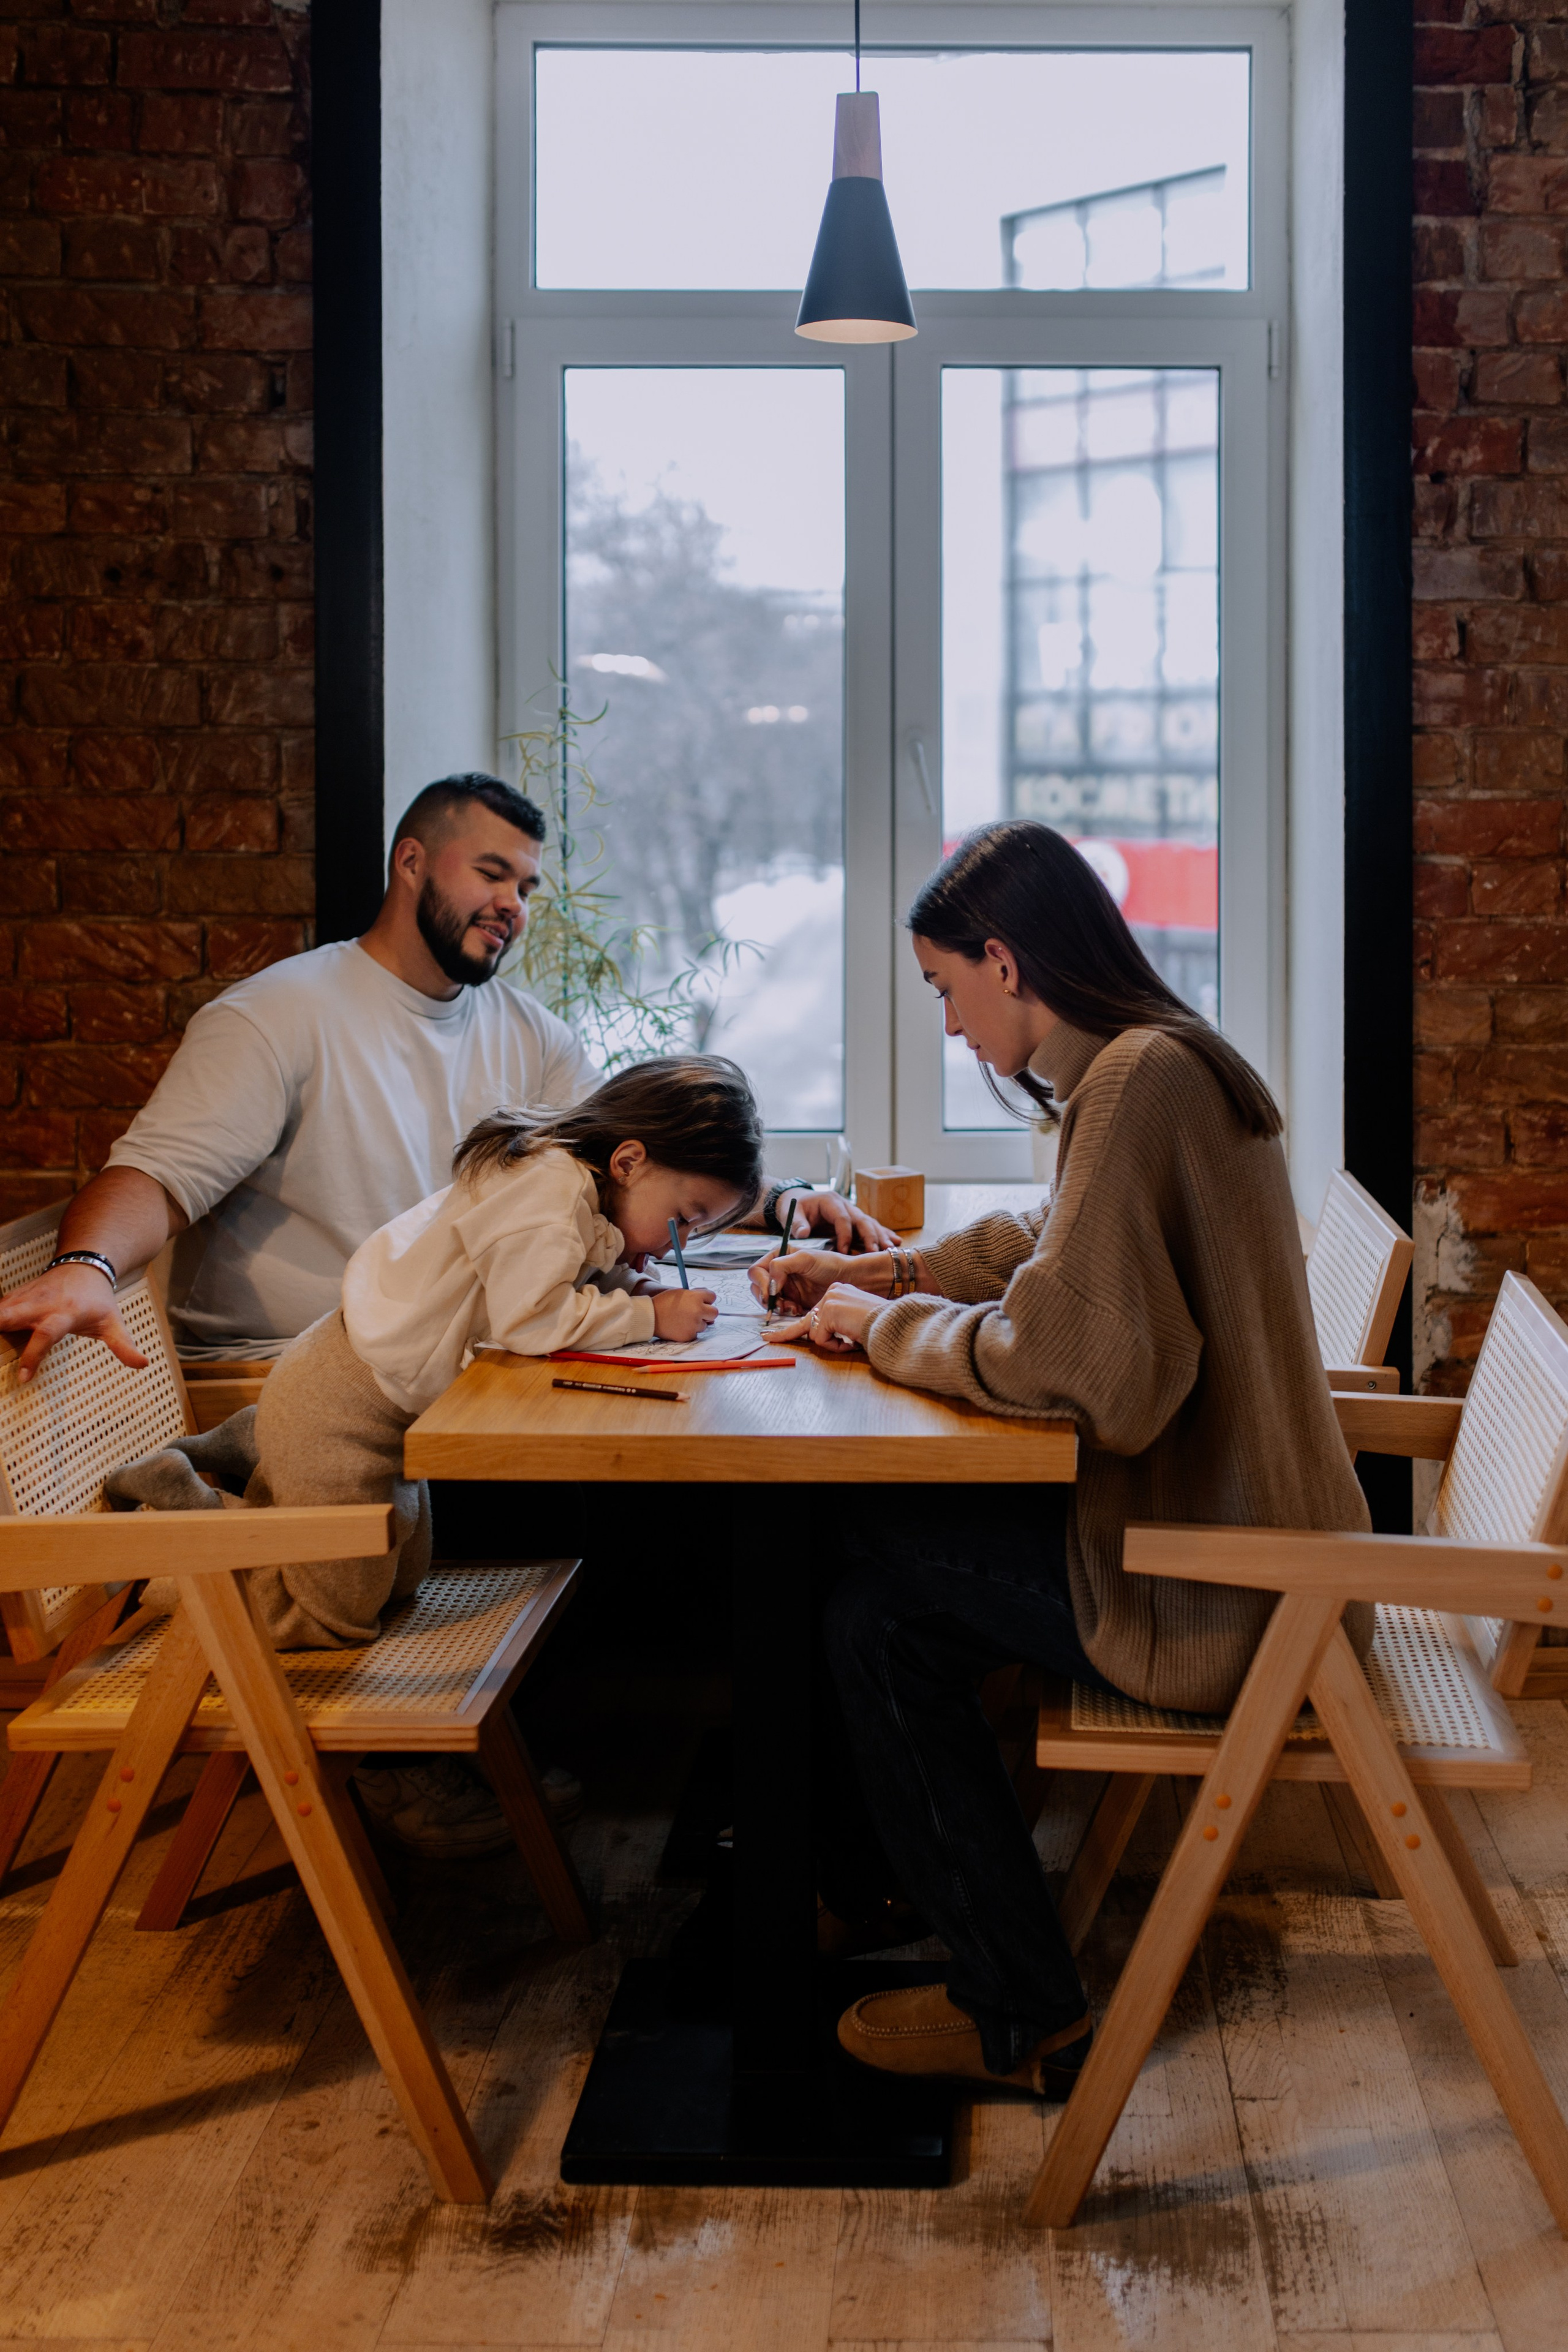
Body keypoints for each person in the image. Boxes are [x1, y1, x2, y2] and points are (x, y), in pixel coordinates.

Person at [757, 820, 1371, 2102]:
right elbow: (1050, 1242)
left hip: (1224, 1588)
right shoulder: (1149, 1062)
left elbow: (1073, 1365)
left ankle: (1014, 2009)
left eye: (942, 991)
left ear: (1002, 958)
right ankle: (896, 1899)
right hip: (1246, 1542)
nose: (944, 1026)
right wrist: (883, 1273)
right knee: (871, 1585)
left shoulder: (1139, 1083)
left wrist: (880, 1330)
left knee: (870, 1607)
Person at [0, 773, 885, 1381]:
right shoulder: (278, 1015)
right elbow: (155, 1177)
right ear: (412, 861)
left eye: (530, 888)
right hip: (299, 1377)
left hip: (453, 1363)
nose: (515, 904)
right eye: (493, 873)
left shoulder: (526, 1033)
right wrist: (85, 1265)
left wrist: (783, 1204)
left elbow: (639, 1160)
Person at [208, 1052, 764, 1651]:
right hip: (342, 1409)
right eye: (683, 1221)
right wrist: (648, 1313)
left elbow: (560, 1280)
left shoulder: (572, 1183)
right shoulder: (549, 1198)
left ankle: (255, 1471)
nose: (672, 1244)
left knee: (399, 1583)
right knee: (335, 1615)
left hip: (384, 1412)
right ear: (629, 1161)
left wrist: (636, 1286)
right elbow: (530, 1320)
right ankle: (185, 1553)